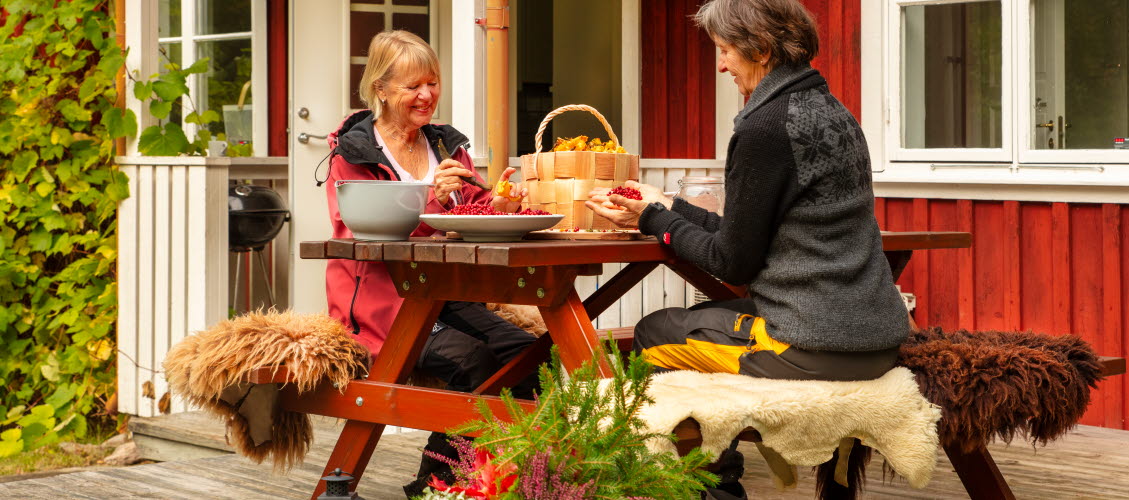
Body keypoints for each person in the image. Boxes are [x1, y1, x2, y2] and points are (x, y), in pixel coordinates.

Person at [587, 1, 911, 497]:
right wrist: (667, 205)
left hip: (814, 347)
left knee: (653, 334)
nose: (720, 65)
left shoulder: (764, 126)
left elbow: (731, 261)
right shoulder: (833, 112)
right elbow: (745, 233)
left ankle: (715, 490)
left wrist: (651, 219)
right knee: (708, 319)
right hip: (875, 336)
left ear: (760, 49)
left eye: (724, 50)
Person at [320, 30, 536, 497]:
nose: (427, 95)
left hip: (444, 294)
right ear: (380, 88)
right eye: (412, 85)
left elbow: (475, 207)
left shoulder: (444, 145)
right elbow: (356, 230)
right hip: (381, 305)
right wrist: (429, 202)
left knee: (527, 353)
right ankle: (435, 487)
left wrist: (503, 202)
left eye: (433, 83)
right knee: (475, 363)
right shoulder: (353, 152)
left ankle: (497, 479)